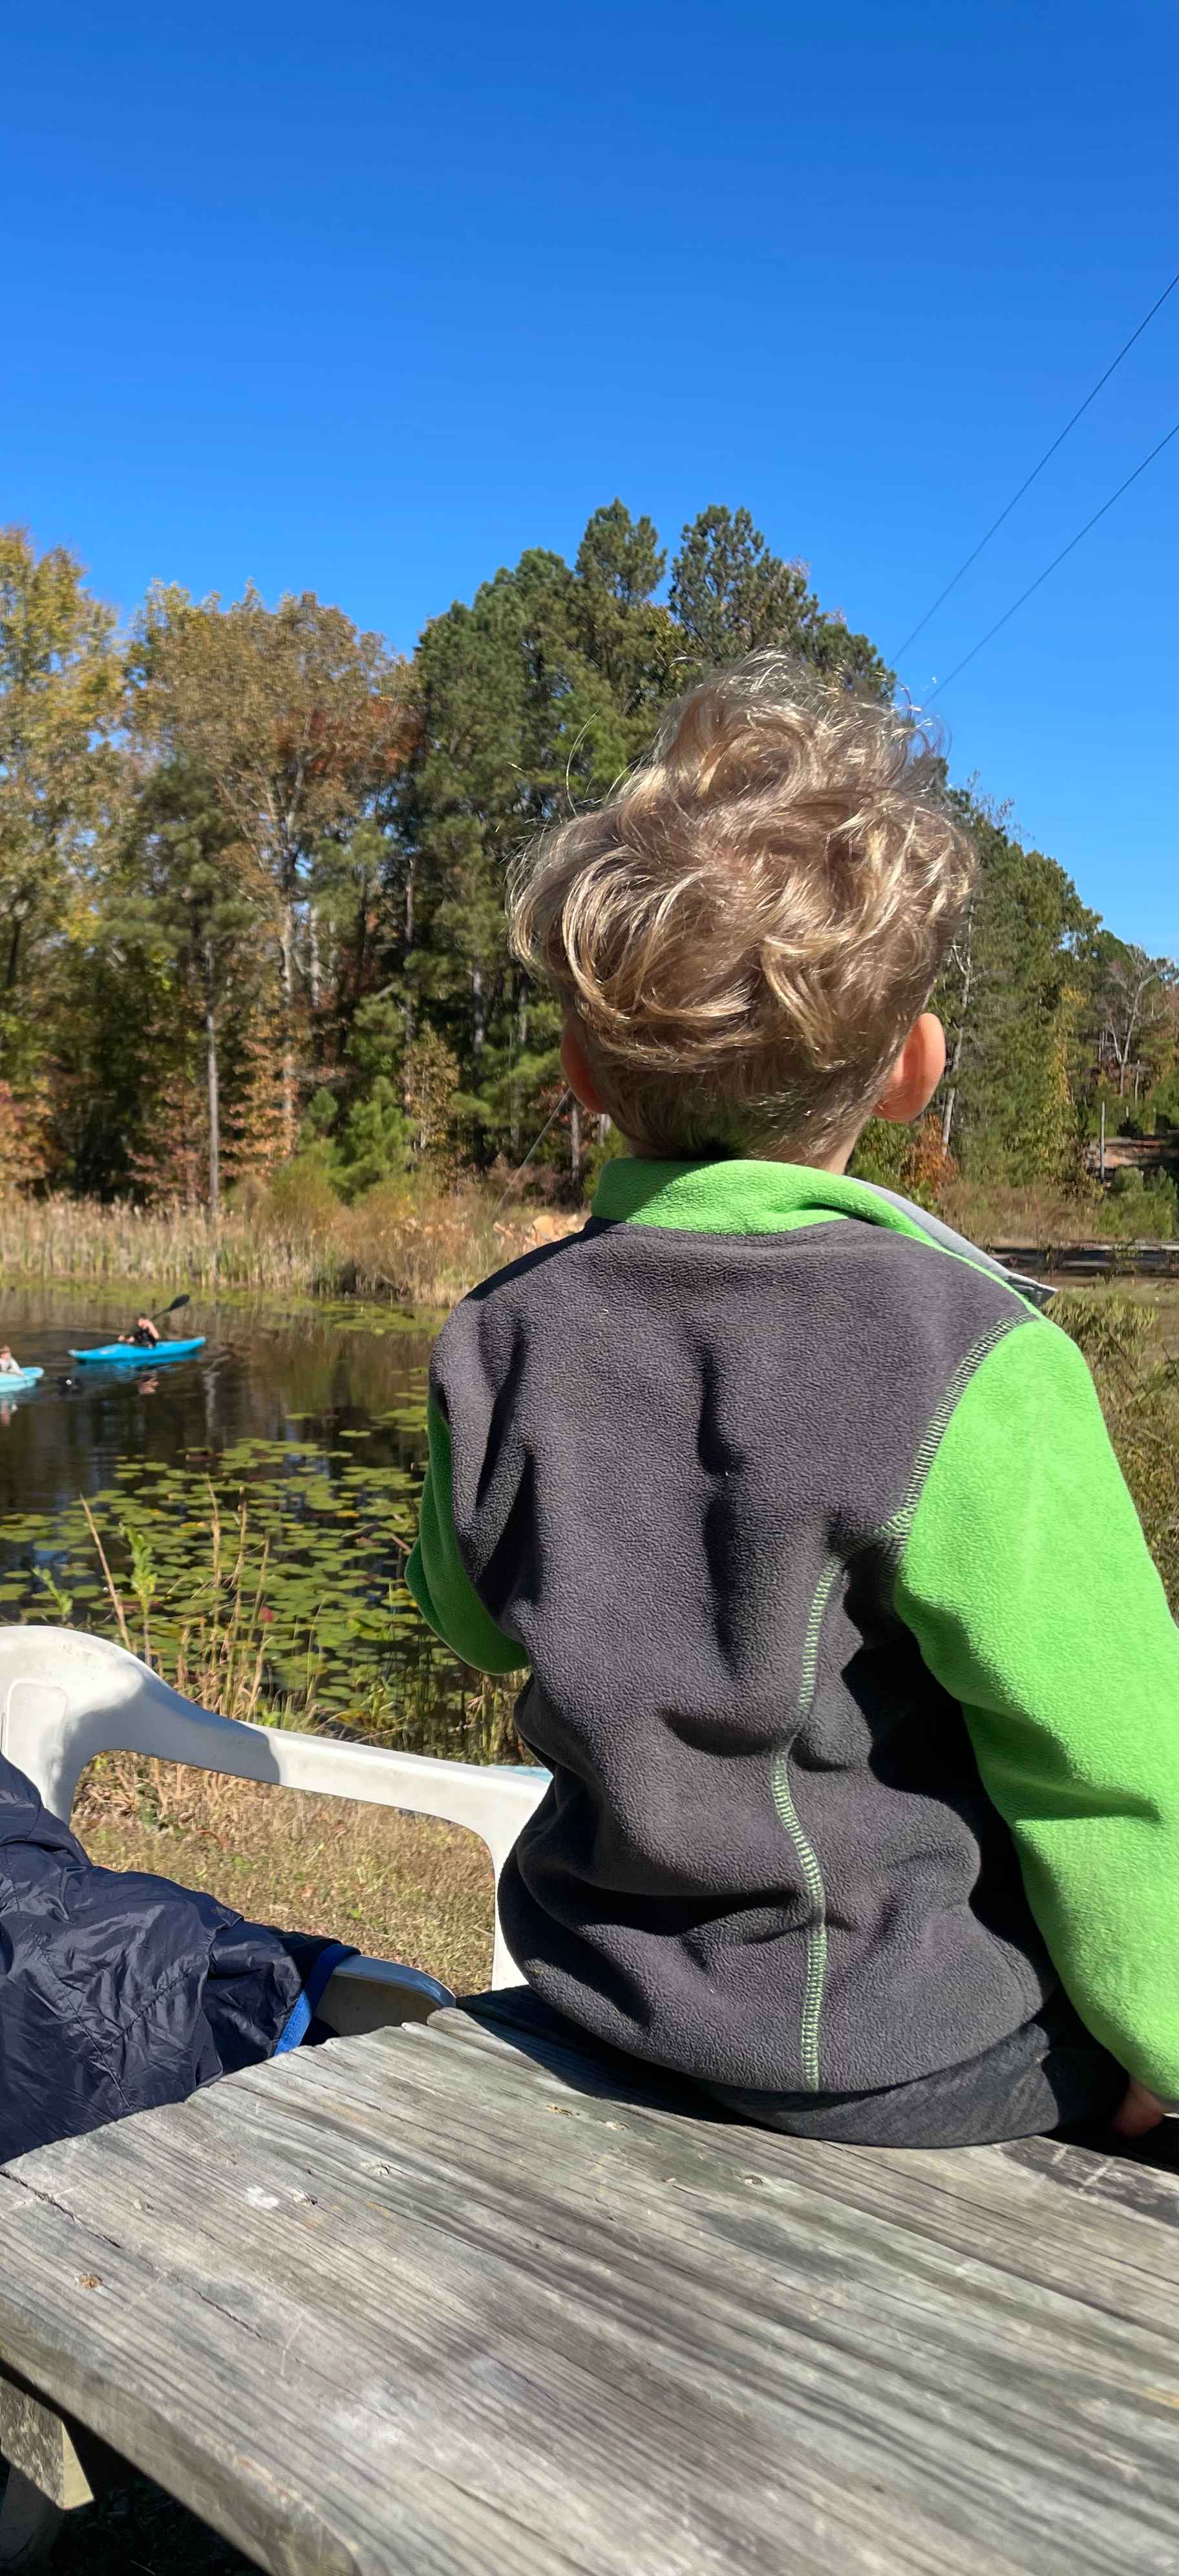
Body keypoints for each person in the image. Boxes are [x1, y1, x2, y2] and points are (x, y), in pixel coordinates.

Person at [409, 653, 1178, 2151]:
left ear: (578, 1068)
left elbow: (472, 1618)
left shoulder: (494, 1336)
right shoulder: (977, 1355)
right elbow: (1115, 1768)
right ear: (911, 1069)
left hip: (597, 1998)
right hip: (914, 2057)